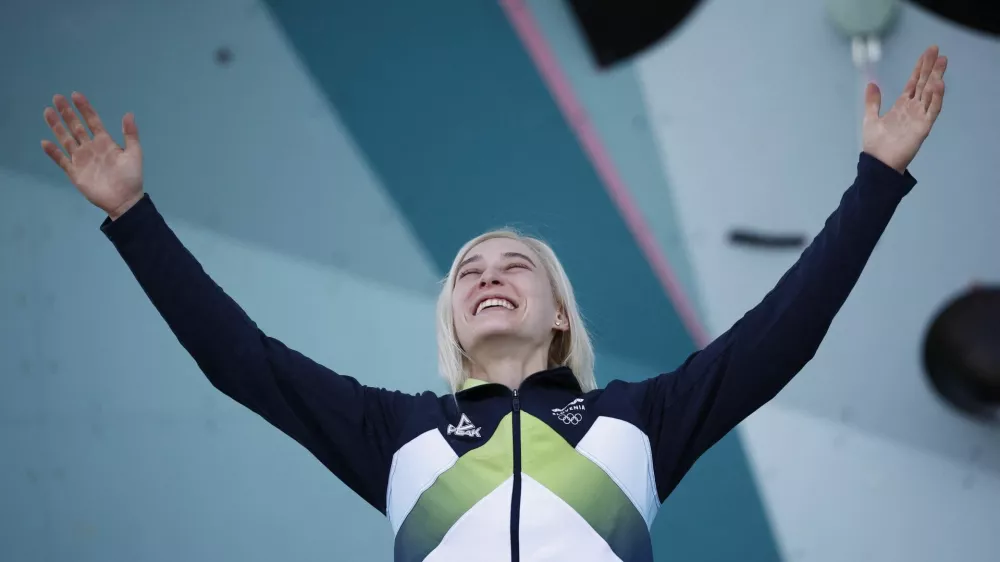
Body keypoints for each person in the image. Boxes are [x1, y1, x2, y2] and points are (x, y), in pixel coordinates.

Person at [39, 46, 947, 562]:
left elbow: (781, 335)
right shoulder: (392, 435)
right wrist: (133, 215)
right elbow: (243, 361)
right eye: (468, 271)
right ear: (453, 318)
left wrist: (876, 180)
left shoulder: (643, 420)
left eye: (514, 265)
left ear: (559, 312)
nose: (485, 276)